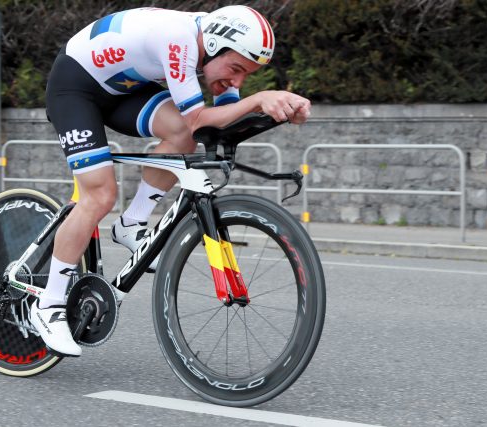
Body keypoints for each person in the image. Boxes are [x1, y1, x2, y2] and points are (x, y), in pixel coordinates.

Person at [30, 5, 311, 356]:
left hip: (123, 88)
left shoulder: (213, 54)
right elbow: (200, 120)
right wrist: (259, 100)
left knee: (180, 136)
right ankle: (49, 306)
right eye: (236, 69)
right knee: (100, 195)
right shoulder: (179, 40)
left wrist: (281, 113)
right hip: (75, 86)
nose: (237, 82)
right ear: (213, 44)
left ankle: (130, 224)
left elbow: (219, 128)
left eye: (247, 76)